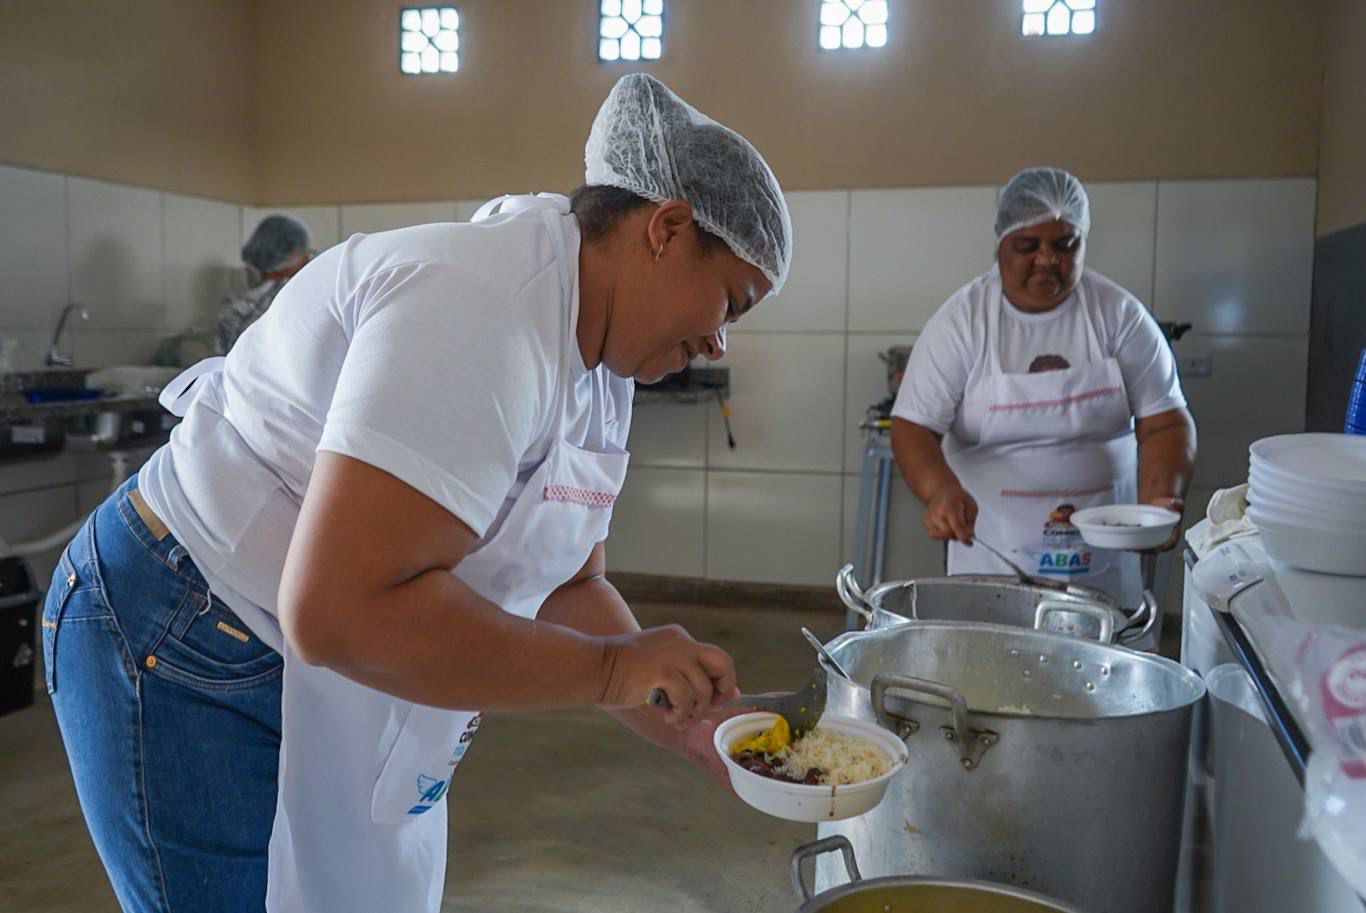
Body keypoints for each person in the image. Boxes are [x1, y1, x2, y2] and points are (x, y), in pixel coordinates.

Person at [42, 73, 792, 913]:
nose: (720, 339)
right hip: (185, 623)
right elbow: (338, 612)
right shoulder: (482, 308)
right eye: (731, 300)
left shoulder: (603, 363)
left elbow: (568, 584)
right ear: (668, 227)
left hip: (305, 649)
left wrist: (688, 724)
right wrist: (616, 669)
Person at [890, 167, 1195, 621]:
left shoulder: (1120, 316)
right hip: (992, 558)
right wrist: (939, 491)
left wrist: (1160, 501)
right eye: (1028, 246)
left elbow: (1166, 421)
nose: (1048, 260)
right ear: (1000, 245)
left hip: (1102, 561)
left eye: (1065, 245)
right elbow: (913, 426)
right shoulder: (962, 322)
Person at [217, 214, 312, 352]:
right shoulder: (289, 297)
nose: (307, 259)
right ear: (288, 253)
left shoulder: (237, 301)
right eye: (302, 252)